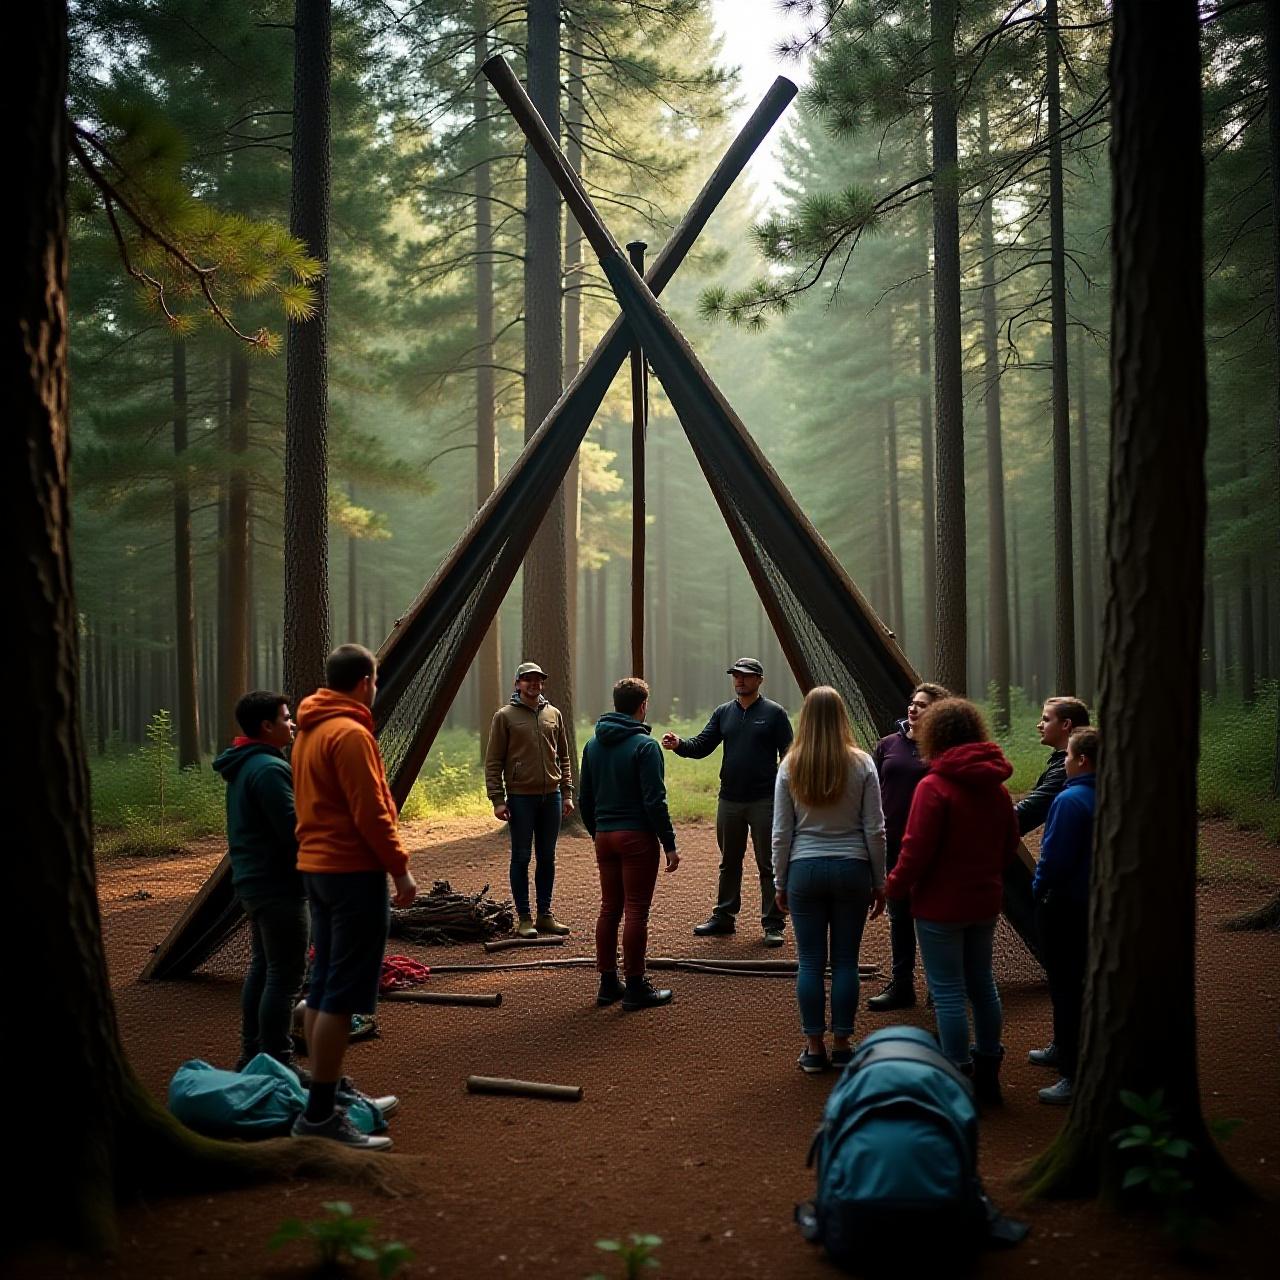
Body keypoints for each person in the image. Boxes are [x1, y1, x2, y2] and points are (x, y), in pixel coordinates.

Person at [289, 644, 417, 1149]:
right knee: (341, 993)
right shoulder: (349, 733)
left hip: (317, 871)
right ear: (366, 681)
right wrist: (400, 871)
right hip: (351, 872)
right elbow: (372, 813)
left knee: (322, 985)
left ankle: (331, 1093)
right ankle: (320, 1115)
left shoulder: (309, 729)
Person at [884, 698, 1020, 1103]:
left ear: (936, 734)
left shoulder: (934, 786)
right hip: (983, 901)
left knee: (946, 991)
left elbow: (915, 850)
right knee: (982, 984)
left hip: (940, 906)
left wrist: (894, 886)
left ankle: (958, 1076)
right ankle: (989, 1075)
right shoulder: (996, 786)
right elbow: (1009, 841)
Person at [772, 687, 887, 1073]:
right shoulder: (862, 764)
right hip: (853, 869)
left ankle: (813, 1047)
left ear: (805, 718)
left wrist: (780, 880)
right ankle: (842, 1043)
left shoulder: (790, 765)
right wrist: (879, 878)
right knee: (845, 961)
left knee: (809, 961)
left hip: (804, 870)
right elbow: (875, 829)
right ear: (842, 717)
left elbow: (781, 833)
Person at [661, 658, 793, 946]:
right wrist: (680, 744)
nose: (739, 680)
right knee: (729, 862)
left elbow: (789, 755)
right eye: (736, 675)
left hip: (765, 800)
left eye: (745, 676)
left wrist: (787, 794)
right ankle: (724, 917)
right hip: (729, 799)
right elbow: (702, 745)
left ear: (759, 680)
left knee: (768, 863)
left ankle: (773, 924)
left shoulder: (774, 713)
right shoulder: (724, 713)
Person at [213, 691, 306, 1073]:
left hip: (256, 884)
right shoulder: (267, 770)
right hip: (277, 885)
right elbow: (293, 830)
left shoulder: (249, 765)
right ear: (266, 726)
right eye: (286, 718)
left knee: (264, 968)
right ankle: (278, 1063)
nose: (292, 724)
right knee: (284, 978)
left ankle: (252, 1056)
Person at [578, 677, 681, 1011]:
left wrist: (598, 832)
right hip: (636, 836)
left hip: (605, 836)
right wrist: (668, 842)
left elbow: (585, 799)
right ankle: (636, 987)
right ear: (643, 706)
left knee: (610, 908)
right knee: (637, 909)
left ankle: (608, 984)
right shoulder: (645, 746)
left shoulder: (592, 745)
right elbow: (655, 801)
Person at [867, 681, 950, 1012]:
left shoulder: (945, 749)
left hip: (933, 848)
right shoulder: (888, 744)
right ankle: (902, 985)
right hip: (892, 843)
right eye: (912, 703)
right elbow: (871, 791)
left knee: (932, 917)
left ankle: (938, 985)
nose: (913, 709)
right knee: (899, 916)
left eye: (923, 705)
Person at [1030, 727, 1099, 1104]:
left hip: (1064, 906)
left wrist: (1039, 891)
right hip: (1092, 903)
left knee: (1066, 987)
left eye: (1069, 757)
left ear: (1082, 760)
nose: (1065, 763)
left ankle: (1072, 1073)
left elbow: (1052, 860)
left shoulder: (1070, 801)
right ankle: (1065, 1050)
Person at [484, 661, 574, 939]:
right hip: (521, 798)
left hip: (553, 798)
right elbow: (493, 762)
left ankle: (545, 915)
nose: (534, 684)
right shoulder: (505, 716)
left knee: (547, 857)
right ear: (517, 683)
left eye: (538, 680)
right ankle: (524, 917)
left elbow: (564, 756)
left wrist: (567, 792)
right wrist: (498, 800)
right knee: (521, 857)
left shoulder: (554, 714)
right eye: (528, 680)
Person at [1016, 697, 1091, 836]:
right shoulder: (1066, 763)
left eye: (1046, 719)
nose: (1039, 725)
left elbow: (1026, 813)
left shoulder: (1068, 769)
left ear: (1066, 724)